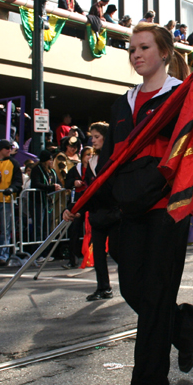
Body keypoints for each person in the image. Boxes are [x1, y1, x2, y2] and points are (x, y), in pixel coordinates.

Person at [63, 22, 193, 385]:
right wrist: (84, 203)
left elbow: (191, 151)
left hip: (166, 209)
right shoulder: (121, 104)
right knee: (132, 290)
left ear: (164, 53)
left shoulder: (182, 97)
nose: (136, 54)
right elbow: (110, 163)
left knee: (156, 294)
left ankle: (150, 384)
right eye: (132, 49)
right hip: (129, 209)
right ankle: (184, 326)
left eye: (144, 47)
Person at [84, 121, 116, 301]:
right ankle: (103, 287)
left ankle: (137, 281)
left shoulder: (114, 157)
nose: (93, 140)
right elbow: (90, 188)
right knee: (98, 253)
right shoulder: (91, 161)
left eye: (97, 136)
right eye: (92, 137)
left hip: (114, 211)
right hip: (97, 213)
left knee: (116, 250)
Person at [63, 146, 95, 269]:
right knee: (74, 230)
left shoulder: (95, 168)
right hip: (78, 202)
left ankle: (92, 257)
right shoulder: (76, 169)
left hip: (91, 202)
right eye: (87, 155)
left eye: (91, 155)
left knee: (93, 231)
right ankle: (73, 259)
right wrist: (74, 183)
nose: (89, 157)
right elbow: (66, 183)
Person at [29, 150, 62, 243]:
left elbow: (58, 182)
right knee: (38, 226)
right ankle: (37, 251)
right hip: (38, 201)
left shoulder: (52, 171)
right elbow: (36, 184)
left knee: (46, 226)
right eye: (49, 160)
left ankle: (46, 251)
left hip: (48, 202)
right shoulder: (37, 169)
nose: (51, 162)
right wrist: (51, 187)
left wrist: (59, 186)